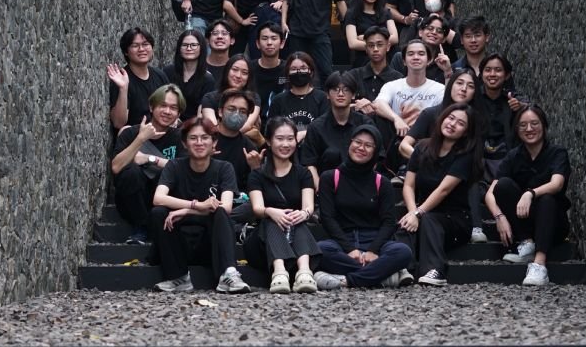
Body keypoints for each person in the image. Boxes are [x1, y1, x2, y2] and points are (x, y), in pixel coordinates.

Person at [151, 118, 250, 293]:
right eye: (193, 138)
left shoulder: (224, 168)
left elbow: (226, 207)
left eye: (204, 138)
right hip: (178, 243)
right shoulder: (174, 166)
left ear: (214, 142)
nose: (199, 142)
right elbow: (158, 198)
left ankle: (228, 274)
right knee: (158, 212)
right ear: (184, 143)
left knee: (220, 212)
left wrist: (186, 210)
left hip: (210, 244)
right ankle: (178, 277)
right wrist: (197, 205)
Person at [313, 125, 414, 290]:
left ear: (375, 151)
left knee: (402, 252)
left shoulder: (382, 182)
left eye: (368, 145)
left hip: (374, 240)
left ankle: (347, 280)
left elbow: (389, 222)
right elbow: (327, 218)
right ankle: (383, 275)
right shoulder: (330, 177)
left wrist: (373, 250)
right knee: (319, 250)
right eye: (357, 142)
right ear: (350, 143)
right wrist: (349, 249)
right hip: (342, 241)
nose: (361, 148)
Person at [484, 104, 571, 286]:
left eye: (534, 123)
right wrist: (499, 217)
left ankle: (539, 264)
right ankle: (527, 243)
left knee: (547, 199)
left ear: (544, 126)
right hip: (524, 224)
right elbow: (490, 193)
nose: (529, 129)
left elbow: (557, 184)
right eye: (523, 125)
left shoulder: (557, 153)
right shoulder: (513, 156)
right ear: (517, 130)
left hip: (553, 223)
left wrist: (530, 193)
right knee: (503, 185)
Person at [397, 104, 483, 286]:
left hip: (455, 220)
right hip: (423, 212)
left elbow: (443, 190)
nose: (452, 124)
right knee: (403, 223)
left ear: (466, 133)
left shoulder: (465, 155)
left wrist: (418, 213)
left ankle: (435, 270)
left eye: (460, 123)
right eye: (450, 118)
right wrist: (412, 212)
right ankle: (404, 268)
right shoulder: (421, 147)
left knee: (429, 220)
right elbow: (409, 185)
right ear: (442, 118)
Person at [245, 117, 320, 294]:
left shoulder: (303, 173)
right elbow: (257, 208)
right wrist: (271, 211)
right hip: (262, 244)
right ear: (269, 141)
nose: (285, 144)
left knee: (296, 218)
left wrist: (303, 213)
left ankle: (304, 272)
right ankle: (279, 272)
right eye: (279, 139)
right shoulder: (257, 175)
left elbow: (308, 206)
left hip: (294, 238)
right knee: (273, 219)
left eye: (290, 139)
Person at [110, 84, 184, 245]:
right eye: (162, 105)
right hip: (132, 199)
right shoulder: (131, 133)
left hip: (162, 198)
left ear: (178, 114)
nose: (167, 111)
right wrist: (141, 138)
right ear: (151, 107)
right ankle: (141, 226)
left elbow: (184, 170)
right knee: (131, 172)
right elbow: (116, 167)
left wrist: (150, 158)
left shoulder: (180, 138)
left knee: (166, 174)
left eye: (173, 108)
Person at [373, 39, 445, 174]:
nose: (416, 57)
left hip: (425, 142)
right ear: (404, 61)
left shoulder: (439, 89)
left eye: (421, 54)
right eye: (411, 54)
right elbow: (377, 104)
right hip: (396, 138)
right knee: (381, 118)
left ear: (429, 60)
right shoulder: (392, 86)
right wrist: (396, 118)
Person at [300, 71, 374, 189]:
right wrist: (320, 189)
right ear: (327, 94)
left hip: (360, 184)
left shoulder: (365, 123)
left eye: (346, 90)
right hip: (328, 187)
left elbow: (375, 158)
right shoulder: (316, 127)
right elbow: (309, 163)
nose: (340, 94)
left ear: (353, 95)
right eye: (335, 89)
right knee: (332, 154)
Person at [107, 27, 169, 132]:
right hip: (136, 136)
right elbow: (118, 123)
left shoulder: (160, 75)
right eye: (135, 46)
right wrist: (123, 88)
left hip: (160, 133)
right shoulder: (121, 78)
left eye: (145, 44)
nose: (141, 49)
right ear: (126, 52)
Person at [266, 52, 329, 142]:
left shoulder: (322, 98)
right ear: (288, 74)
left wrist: (304, 134)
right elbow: (271, 130)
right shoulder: (278, 100)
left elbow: (325, 128)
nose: (298, 72)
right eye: (294, 69)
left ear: (311, 72)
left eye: (303, 68)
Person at [201, 55, 263, 148]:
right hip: (215, 144)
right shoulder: (210, 98)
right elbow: (212, 127)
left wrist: (230, 134)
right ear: (227, 71)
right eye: (235, 69)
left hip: (243, 145)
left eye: (244, 73)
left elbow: (248, 124)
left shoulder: (254, 98)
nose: (238, 76)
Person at [343, 0, 399, 67]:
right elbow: (353, 43)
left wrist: (365, 38)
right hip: (363, 62)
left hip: (387, 61)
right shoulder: (351, 14)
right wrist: (382, 43)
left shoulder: (386, 12)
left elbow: (395, 38)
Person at [162, 30, 216, 121]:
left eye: (193, 45)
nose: (189, 48)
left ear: (201, 48)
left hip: (193, 124)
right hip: (167, 119)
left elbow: (202, 112)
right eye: (185, 45)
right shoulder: (168, 71)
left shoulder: (207, 79)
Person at [349, 26, 403, 116]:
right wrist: (356, 106)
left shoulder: (398, 79)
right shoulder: (353, 75)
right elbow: (341, 106)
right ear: (366, 48)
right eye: (371, 45)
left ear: (388, 46)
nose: (375, 49)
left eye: (380, 45)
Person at [389, 13, 456, 83]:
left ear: (444, 39)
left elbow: (449, 89)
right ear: (420, 32)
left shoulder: (444, 62)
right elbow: (391, 85)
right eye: (430, 28)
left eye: (439, 31)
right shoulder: (401, 57)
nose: (434, 32)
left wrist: (447, 71)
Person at [249, 22, 287, 127]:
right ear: (257, 43)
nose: (269, 43)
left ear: (282, 43)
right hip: (252, 122)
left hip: (283, 124)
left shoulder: (289, 69)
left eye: (274, 38)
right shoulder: (248, 69)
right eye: (264, 38)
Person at [205, 19, 236, 83]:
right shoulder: (199, 65)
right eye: (215, 33)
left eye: (224, 33)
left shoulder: (236, 67)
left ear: (232, 40)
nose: (219, 36)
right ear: (207, 40)